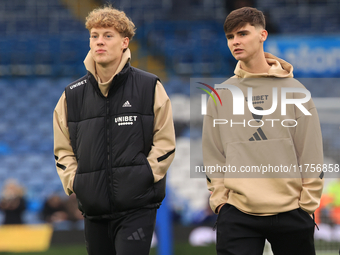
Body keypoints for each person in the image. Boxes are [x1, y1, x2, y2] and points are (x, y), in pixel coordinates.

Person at [53, 5, 176, 255]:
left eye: (108, 35)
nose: (100, 42)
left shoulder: (149, 86)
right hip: (94, 210)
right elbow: (62, 149)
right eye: (94, 36)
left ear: (124, 42)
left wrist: (145, 175)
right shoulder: (71, 95)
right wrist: (76, 182)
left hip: (137, 208)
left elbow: (165, 142)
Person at [202, 7, 324, 255]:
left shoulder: (296, 91)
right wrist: (221, 202)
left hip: (292, 211)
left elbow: (310, 151)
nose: (235, 41)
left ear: (263, 34)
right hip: (237, 213)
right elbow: (213, 154)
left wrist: (307, 204)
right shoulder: (221, 95)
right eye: (230, 37)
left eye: (243, 33)